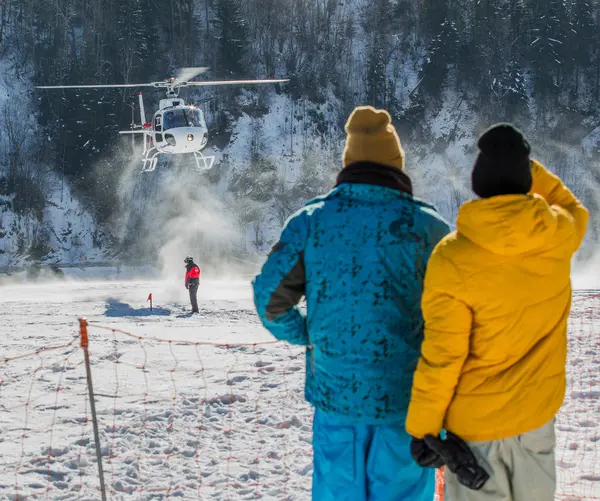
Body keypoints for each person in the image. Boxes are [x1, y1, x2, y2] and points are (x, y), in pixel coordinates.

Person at [252, 106, 450, 501]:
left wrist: (307, 332)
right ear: (397, 164)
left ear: (348, 162)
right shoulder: (428, 228)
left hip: (336, 404)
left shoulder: (311, 221)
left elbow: (270, 299)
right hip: (407, 407)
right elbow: (455, 320)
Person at [406, 124, 589, 501]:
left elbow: (443, 356)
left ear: (479, 182)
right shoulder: (558, 235)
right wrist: (522, 163)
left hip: (475, 434)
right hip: (536, 420)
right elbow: (572, 205)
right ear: (526, 179)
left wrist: (423, 426)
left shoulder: (451, 257)